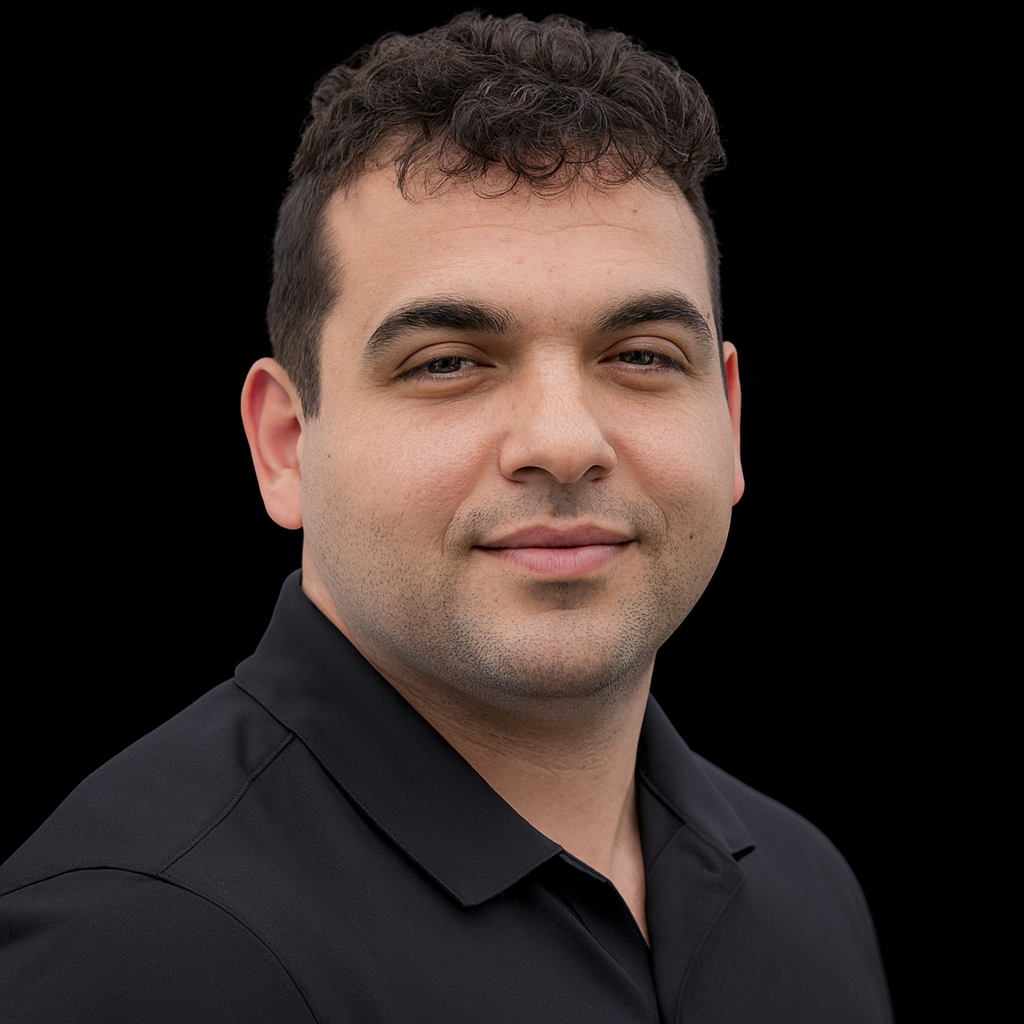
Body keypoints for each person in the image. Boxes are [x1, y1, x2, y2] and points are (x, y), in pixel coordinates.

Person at [1, 13, 892, 1022]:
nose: (562, 441)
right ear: (285, 444)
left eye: (641, 354)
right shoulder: (141, 948)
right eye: (448, 363)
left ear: (728, 422)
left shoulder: (806, 892)